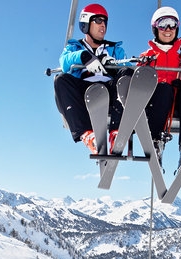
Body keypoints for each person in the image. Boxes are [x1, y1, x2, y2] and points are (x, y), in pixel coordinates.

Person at [54, 3, 130, 155]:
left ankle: (117, 132)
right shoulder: (75, 47)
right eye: (98, 21)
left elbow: (126, 66)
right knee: (61, 79)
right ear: (86, 24)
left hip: (108, 90)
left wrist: (111, 65)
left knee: (127, 74)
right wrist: (84, 56)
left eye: (105, 22)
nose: (103, 26)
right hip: (84, 91)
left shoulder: (114, 49)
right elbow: (64, 62)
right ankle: (87, 135)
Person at [138, 6, 181, 167]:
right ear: (155, 28)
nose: (168, 29)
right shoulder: (147, 58)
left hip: (176, 106)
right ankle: (155, 140)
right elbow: (138, 83)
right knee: (164, 88)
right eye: (163, 24)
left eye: (172, 24)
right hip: (154, 105)